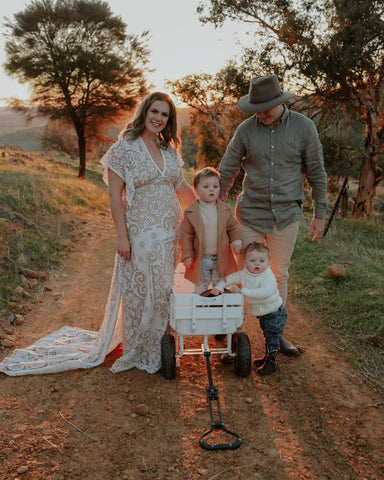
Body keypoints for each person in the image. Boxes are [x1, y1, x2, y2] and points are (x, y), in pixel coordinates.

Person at [0, 92, 195, 376]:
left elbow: (182, 187)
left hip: (170, 232)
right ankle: (140, 349)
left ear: (169, 119)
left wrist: (205, 209)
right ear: (145, 111)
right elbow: (115, 197)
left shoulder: (168, 150)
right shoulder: (124, 148)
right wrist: (122, 236)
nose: (159, 118)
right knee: (140, 290)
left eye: (165, 114)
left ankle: (161, 345)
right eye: (155, 111)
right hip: (139, 230)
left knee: (164, 289)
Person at [218, 74, 328, 356]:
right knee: (245, 273)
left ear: (280, 102)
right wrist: (216, 206)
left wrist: (320, 212)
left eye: (267, 107)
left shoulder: (304, 128)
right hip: (251, 214)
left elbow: (316, 171)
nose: (262, 113)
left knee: (278, 275)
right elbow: (228, 168)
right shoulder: (245, 130)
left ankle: (276, 335)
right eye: (257, 108)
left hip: (286, 215)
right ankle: (235, 334)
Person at [212, 242, 287, 376]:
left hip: (275, 312)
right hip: (264, 314)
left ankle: (272, 361)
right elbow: (230, 278)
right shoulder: (244, 274)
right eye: (253, 261)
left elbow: (266, 291)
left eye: (262, 261)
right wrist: (219, 286)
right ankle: (267, 357)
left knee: (271, 337)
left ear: (268, 261)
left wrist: (245, 292)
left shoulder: (267, 276)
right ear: (245, 261)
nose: (257, 264)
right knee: (267, 334)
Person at [180, 167, 242, 294]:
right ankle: (200, 307)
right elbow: (186, 235)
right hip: (201, 257)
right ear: (196, 190)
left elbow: (232, 227)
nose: (212, 189)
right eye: (206, 187)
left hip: (220, 256)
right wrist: (187, 255)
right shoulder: (191, 212)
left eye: (215, 186)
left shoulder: (225, 210)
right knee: (201, 284)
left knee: (219, 284)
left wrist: (236, 241)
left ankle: (220, 309)